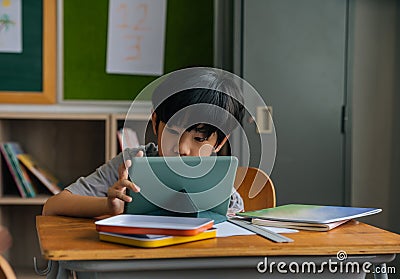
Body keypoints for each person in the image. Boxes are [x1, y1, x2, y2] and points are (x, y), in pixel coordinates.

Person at [42, 68, 245, 218]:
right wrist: (109, 206)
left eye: (199, 139)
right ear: (155, 122)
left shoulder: (218, 181)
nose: (182, 149)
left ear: (219, 143)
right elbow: (53, 206)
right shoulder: (132, 163)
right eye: (173, 132)